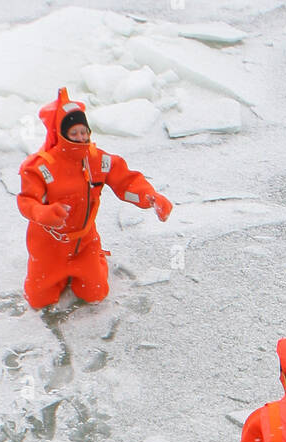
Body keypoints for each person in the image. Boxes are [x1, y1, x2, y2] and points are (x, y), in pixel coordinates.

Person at [17, 88, 173, 310]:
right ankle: (55, 274)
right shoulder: (41, 167)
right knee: (39, 300)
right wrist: (45, 213)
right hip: (49, 246)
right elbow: (27, 202)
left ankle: (94, 260)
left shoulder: (97, 160)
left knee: (96, 293)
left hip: (85, 243)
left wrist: (150, 197)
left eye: (84, 132)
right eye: (74, 133)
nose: (81, 137)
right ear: (62, 134)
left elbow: (126, 182)